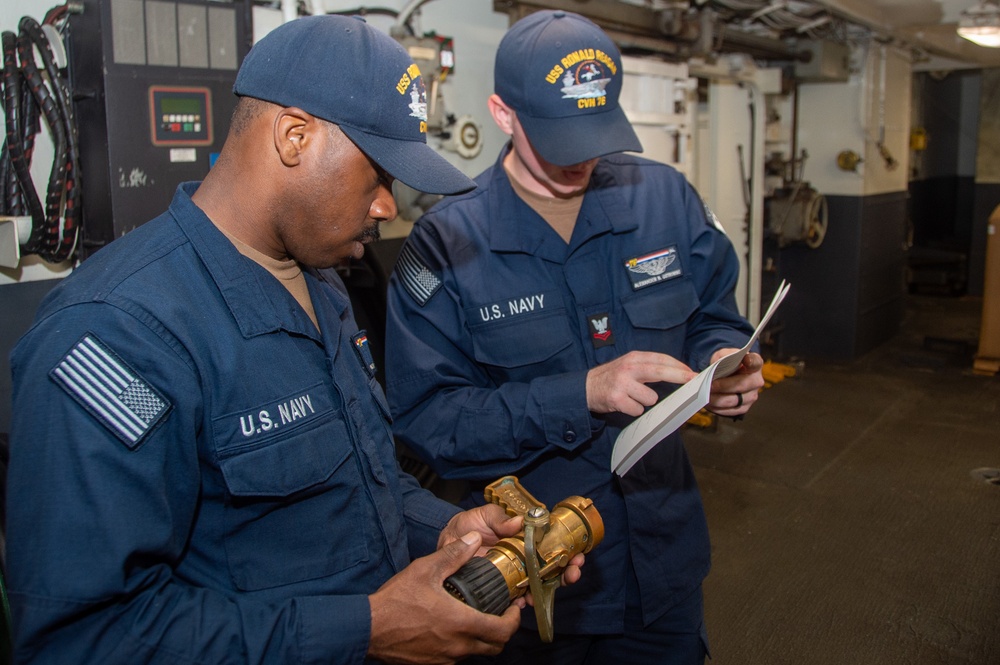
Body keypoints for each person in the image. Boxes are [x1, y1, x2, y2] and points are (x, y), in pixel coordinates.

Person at [5, 15, 582, 664]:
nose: (388, 206)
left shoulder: (321, 281)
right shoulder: (115, 334)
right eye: (379, 173)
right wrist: (368, 628)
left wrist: (440, 525)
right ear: (294, 137)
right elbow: (84, 638)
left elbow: (358, 484)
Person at [383, 10, 765, 664]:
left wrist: (722, 358)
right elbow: (427, 418)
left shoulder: (665, 199)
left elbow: (713, 312)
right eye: (560, 138)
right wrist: (580, 393)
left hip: (661, 563)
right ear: (503, 114)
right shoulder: (449, 243)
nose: (582, 158)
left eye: (596, 131)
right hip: (529, 585)